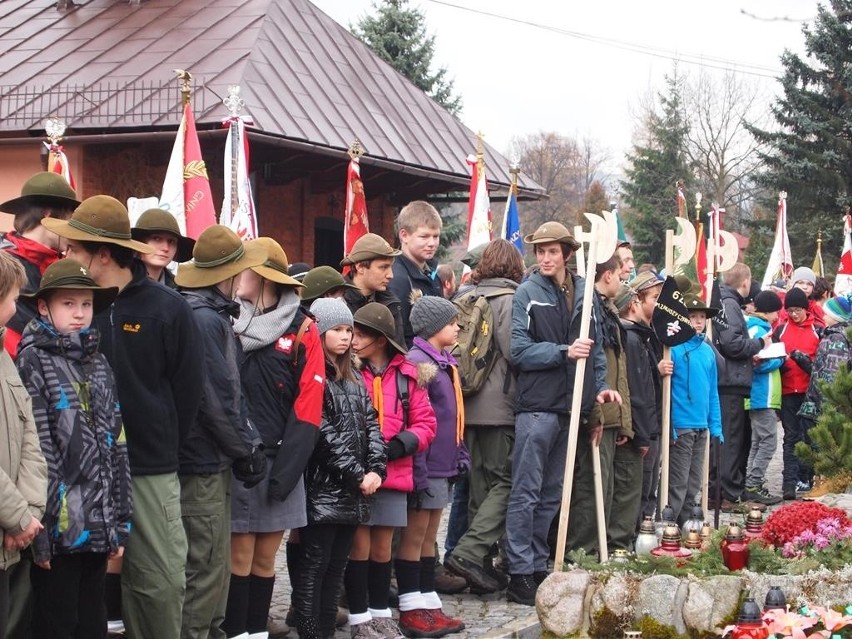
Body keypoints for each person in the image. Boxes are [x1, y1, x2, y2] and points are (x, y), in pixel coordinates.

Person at [46, 194, 203, 639]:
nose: (66, 255)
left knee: (159, 581)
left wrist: (160, 446)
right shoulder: (76, 307)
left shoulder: (168, 308)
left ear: (102, 253)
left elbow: (189, 391)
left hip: (149, 467)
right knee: (80, 582)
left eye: (75, 249)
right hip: (83, 471)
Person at [16, 258, 131, 638]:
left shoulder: (99, 363)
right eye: (68, 304)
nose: (80, 313)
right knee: (56, 621)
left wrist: (119, 522)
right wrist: (43, 534)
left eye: (85, 304)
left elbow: (117, 446)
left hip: (98, 525)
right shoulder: (33, 360)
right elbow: (39, 453)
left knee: (93, 622)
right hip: (60, 530)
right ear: (45, 307)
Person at [505, 222, 618, 606]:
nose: (546, 258)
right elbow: (518, 350)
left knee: (553, 492)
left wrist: (597, 389)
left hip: (572, 407)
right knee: (527, 490)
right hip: (537, 406)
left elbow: (597, 350)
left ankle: (539, 563)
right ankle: (518, 570)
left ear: (567, 253)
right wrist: (561, 351)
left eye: (553, 251)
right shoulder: (527, 293)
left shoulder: (586, 292)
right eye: (540, 251)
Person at [222, 239, 325, 638]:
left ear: (262, 277)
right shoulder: (227, 320)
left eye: (242, 269)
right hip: (236, 460)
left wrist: (286, 472)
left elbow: (309, 406)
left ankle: (256, 632)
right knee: (238, 556)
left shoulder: (303, 329)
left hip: (279, 463)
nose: (235, 277)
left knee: (265, 559)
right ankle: (237, 632)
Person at [173, 226, 269, 639]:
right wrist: (245, 449)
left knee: (214, 563)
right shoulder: (205, 320)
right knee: (205, 564)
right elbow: (214, 398)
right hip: (202, 459)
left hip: (213, 456)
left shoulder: (209, 315)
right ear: (226, 274)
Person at [294, 298, 385, 639]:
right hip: (325, 488)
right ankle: (309, 630)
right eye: (338, 330)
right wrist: (356, 474)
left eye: (350, 330)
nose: (346, 337)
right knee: (313, 567)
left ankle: (326, 631)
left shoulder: (355, 377)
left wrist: (376, 467)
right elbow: (321, 432)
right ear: (320, 332)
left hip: (354, 492)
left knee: (336, 569)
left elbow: (372, 424)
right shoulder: (316, 375)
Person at [345, 303, 436, 639]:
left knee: (383, 546)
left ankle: (381, 613)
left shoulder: (409, 376)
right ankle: (358, 618)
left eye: (362, 333)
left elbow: (427, 423)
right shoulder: (350, 372)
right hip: (359, 474)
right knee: (359, 545)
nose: (354, 340)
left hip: (395, 473)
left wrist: (400, 445)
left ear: (381, 340)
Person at [445, 240, 521, 594]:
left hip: (467, 403)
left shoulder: (466, 297)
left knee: (478, 489)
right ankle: (469, 554)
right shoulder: (511, 299)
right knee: (502, 483)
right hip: (499, 408)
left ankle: (480, 567)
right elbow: (513, 352)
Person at [399, 295, 468, 638]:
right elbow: (418, 420)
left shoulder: (444, 361)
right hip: (424, 467)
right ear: (434, 328)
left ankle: (428, 603)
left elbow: (453, 414)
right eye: (453, 321)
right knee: (415, 537)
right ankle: (412, 608)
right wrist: (420, 470)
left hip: (444, 464)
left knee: (430, 538)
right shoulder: (419, 364)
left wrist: (460, 453)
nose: (458, 327)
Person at [567, 254, 631, 555]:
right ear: (607, 275)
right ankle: (583, 550)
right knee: (590, 486)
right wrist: (596, 412)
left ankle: (596, 548)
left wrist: (622, 418)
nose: (622, 279)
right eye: (619, 273)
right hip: (597, 409)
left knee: (603, 486)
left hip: (609, 410)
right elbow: (596, 364)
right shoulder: (590, 308)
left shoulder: (606, 310)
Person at [0, 252, 47, 639]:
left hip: (13, 535)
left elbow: (30, 434)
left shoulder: (5, 356)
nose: (17, 308)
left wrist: (28, 515)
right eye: (13, 298)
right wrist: (17, 516)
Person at [0, 172, 80, 360]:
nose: (73, 230)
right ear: (48, 214)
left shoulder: (61, 265)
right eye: (70, 220)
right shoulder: (4, 265)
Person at [710, 263, 767, 511]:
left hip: (729, 379)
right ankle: (728, 494)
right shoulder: (730, 304)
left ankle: (726, 489)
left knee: (733, 438)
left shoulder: (723, 300)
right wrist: (759, 344)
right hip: (729, 382)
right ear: (745, 282)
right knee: (730, 440)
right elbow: (733, 344)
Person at [616, 272, 668, 527]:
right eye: (655, 298)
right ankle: (636, 533)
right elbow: (636, 388)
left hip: (653, 422)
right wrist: (644, 433)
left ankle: (643, 529)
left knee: (649, 486)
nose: (660, 304)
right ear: (636, 301)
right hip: (643, 426)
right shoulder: (632, 338)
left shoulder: (648, 336)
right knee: (638, 486)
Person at [668, 292, 724, 525]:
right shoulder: (673, 349)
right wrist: (670, 424)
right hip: (681, 426)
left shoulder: (708, 351)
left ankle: (683, 528)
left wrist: (716, 426)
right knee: (677, 482)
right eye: (693, 316)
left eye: (702, 316)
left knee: (694, 483)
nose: (699, 321)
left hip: (701, 426)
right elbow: (667, 391)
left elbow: (712, 392)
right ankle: (668, 526)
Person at [797, 293, 852, 494]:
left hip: (823, 403)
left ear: (835, 316)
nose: (823, 315)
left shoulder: (835, 338)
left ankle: (823, 487)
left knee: (821, 446)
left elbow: (832, 373)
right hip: (824, 401)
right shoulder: (833, 335)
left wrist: (822, 402)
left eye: (827, 312)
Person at [773, 287, 821, 500]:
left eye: (798, 310)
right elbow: (772, 356)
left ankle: (807, 477)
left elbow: (821, 367)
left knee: (809, 436)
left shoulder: (817, 331)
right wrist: (780, 364)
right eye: (790, 310)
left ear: (806, 308)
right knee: (791, 437)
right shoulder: (780, 331)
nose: (794, 314)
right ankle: (788, 484)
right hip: (787, 392)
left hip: (808, 392)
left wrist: (806, 364)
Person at [743, 291, 785, 506]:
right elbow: (758, 362)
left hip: (760, 395)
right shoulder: (759, 330)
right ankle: (754, 482)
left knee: (758, 441)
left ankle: (751, 481)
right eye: (776, 311)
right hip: (762, 394)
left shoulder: (756, 326)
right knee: (768, 442)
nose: (778, 316)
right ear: (767, 310)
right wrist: (780, 360)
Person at [387, 201, 443, 345]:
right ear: (404, 235)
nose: (432, 243)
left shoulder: (434, 277)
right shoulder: (395, 278)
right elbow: (396, 336)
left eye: (436, 236)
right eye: (424, 236)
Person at [340, 234, 405, 346]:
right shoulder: (338, 303)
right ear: (360, 267)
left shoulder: (391, 304)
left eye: (391, 267)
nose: (391, 275)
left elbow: (399, 353)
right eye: (383, 267)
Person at [130, 208, 195, 288]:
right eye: (157, 239)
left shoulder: (180, 291)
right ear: (139, 242)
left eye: (171, 241)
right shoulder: (120, 282)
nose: (165, 248)